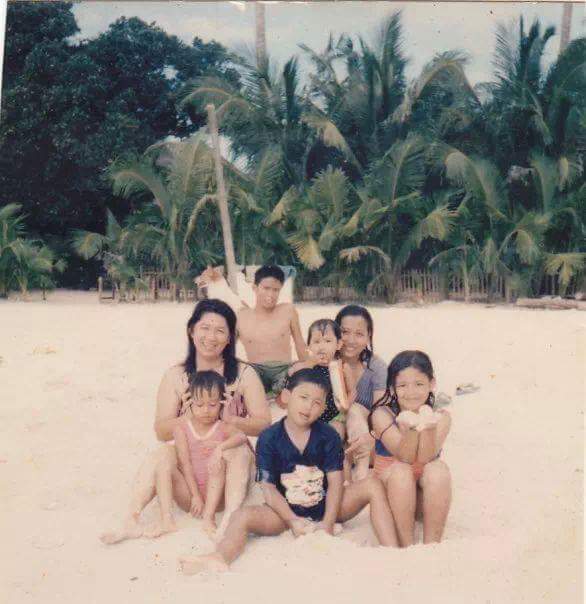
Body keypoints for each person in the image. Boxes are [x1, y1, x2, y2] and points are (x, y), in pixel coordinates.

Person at [179, 368, 398, 574]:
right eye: (303, 398)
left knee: (372, 485)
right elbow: (268, 488)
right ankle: (220, 557)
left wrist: (328, 523)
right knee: (243, 515)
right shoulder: (269, 437)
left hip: (327, 507)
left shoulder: (328, 436)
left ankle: (393, 553)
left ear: (323, 408)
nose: (309, 407)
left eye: (316, 403)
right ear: (287, 396)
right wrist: (293, 520)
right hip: (285, 512)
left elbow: (335, 483)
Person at [100, 299, 270, 545]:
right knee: (161, 453)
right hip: (189, 478)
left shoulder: (244, 374)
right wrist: (190, 416)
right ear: (191, 330)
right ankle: (131, 520)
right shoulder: (176, 376)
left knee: (239, 451)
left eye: (220, 330)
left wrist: (228, 418)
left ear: (230, 338)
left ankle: (228, 521)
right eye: (204, 328)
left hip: (228, 477)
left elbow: (264, 423)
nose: (211, 336)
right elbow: (161, 430)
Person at [368, 350, 452, 546]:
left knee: (438, 469)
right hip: (390, 495)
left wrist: (429, 426)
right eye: (403, 385)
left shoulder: (442, 417)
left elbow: (425, 457)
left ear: (432, 384)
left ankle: (432, 545)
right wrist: (411, 430)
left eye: (419, 384)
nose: (411, 392)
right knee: (401, 471)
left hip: (421, 498)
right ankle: (407, 546)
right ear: (392, 387)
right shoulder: (381, 414)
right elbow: (405, 457)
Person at [197, 265, 308, 399]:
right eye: (266, 288)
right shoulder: (242, 316)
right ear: (255, 288)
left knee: (299, 372)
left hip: (284, 370)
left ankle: (279, 395)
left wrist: (308, 372)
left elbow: (300, 344)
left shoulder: (287, 311)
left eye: (276, 290)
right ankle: (260, 396)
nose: (271, 295)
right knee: (236, 374)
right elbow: (226, 348)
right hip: (255, 371)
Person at [173, 370, 248, 538]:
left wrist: (220, 447)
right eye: (199, 405)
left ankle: (209, 516)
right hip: (191, 497)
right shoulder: (182, 429)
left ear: (221, 403)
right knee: (169, 465)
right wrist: (196, 497)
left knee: (219, 460)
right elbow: (185, 464)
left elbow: (241, 436)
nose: (206, 410)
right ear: (190, 404)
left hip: (217, 497)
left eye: (212, 405)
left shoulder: (222, 426)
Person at [335, 305, 387, 481]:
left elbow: (381, 412)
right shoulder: (327, 364)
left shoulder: (376, 367)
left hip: (365, 438)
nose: (351, 340)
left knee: (355, 409)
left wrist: (370, 438)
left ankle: (362, 469)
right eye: (345, 332)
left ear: (368, 336)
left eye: (359, 334)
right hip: (334, 433)